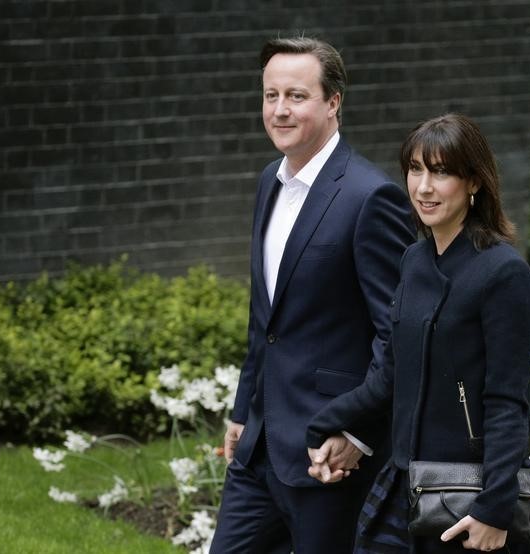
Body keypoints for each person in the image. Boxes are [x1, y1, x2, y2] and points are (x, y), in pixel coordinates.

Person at [209, 36, 416, 554]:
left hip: (328, 453)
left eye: (296, 96)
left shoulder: (371, 197)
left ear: (332, 102)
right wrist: (242, 411)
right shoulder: (268, 183)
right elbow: (268, 320)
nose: (279, 110)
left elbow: (397, 333)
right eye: (270, 95)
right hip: (260, 447)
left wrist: (360, 434)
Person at [306, 114, 530, 553]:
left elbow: (509, 402)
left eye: (442, 172)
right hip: (403, 485)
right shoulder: (413, 260)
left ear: (474, 182)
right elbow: (391, 375)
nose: (424, 187)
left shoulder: (505, 274)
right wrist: (325, 425)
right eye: (416, 169)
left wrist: (495, 509)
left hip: (465, 502)